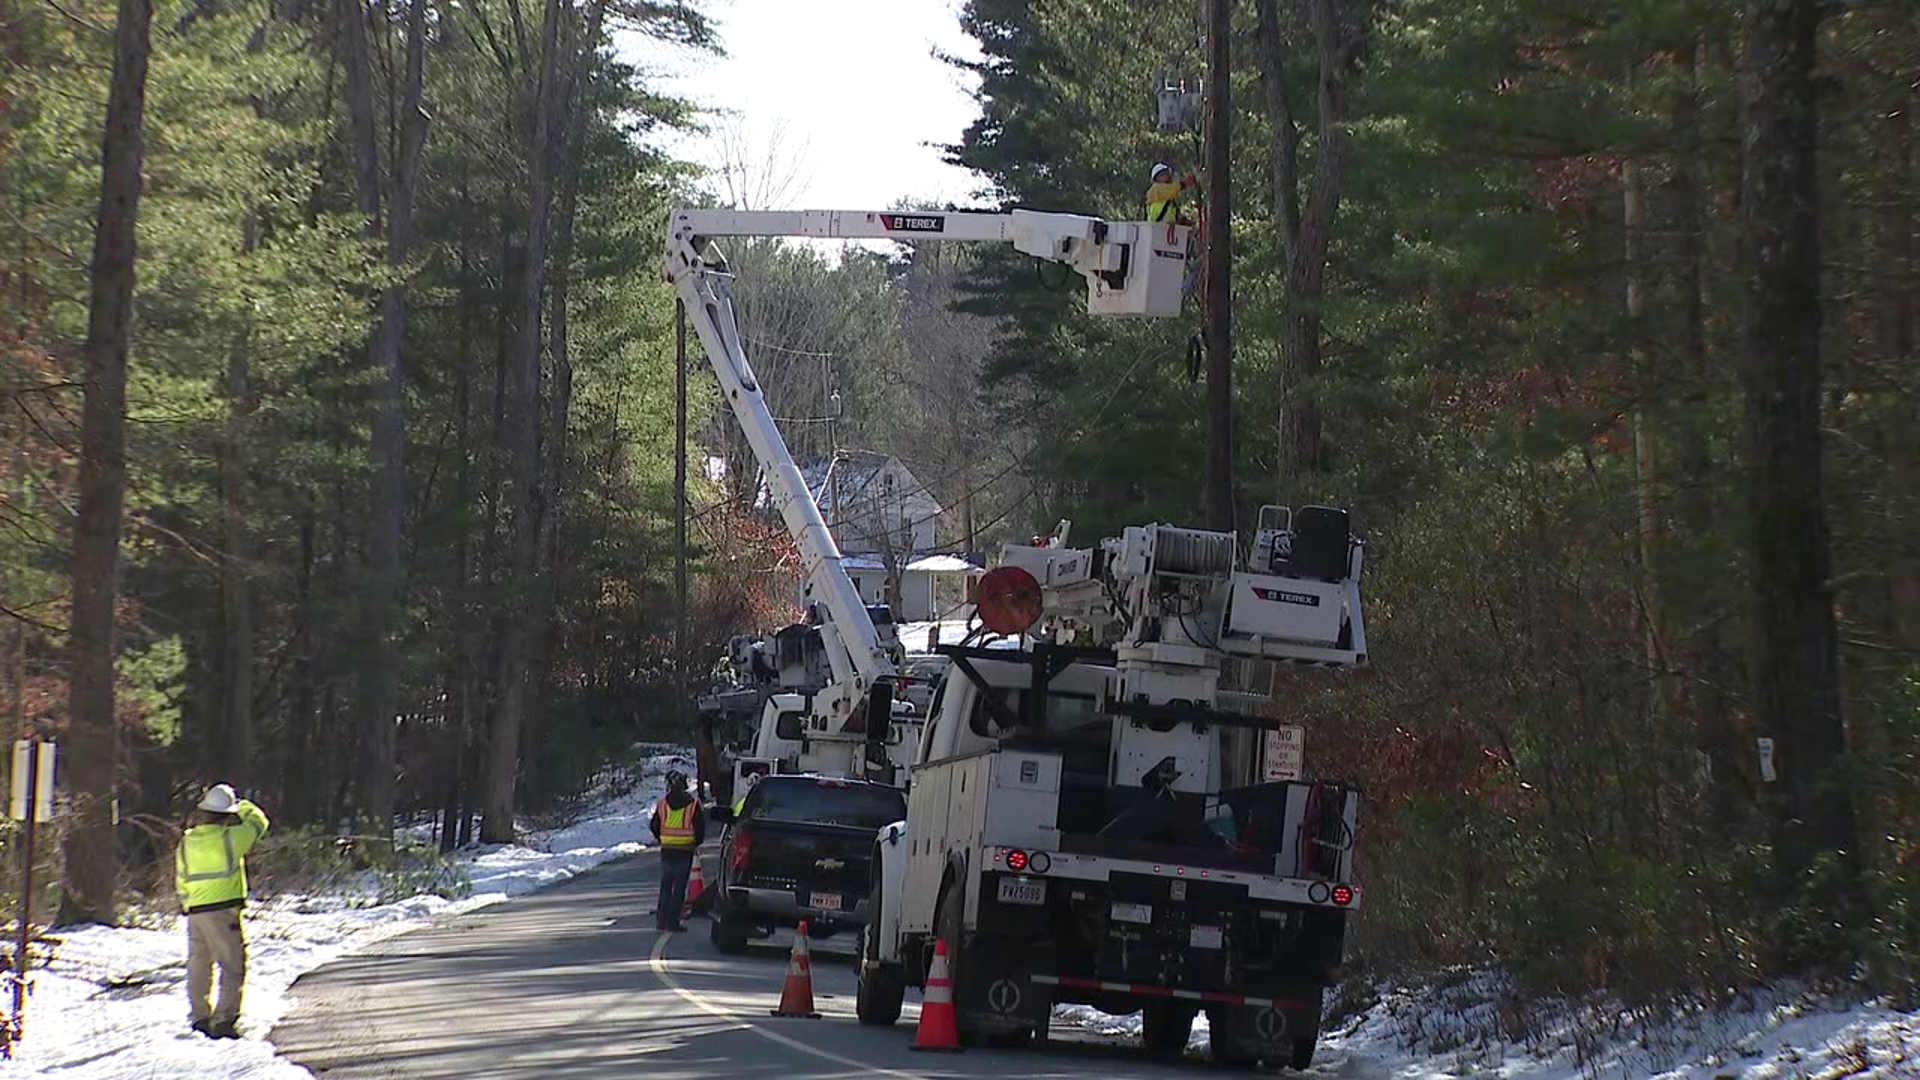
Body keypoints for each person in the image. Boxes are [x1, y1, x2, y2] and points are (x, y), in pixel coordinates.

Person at [175, 783, 269, 1038]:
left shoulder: (186, 842)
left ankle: (200, 1019)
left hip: (195, 912)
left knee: (198, 966)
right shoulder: (231, 838)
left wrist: (187, 905)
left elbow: (181, 878)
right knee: (232, 966)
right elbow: (260, 822)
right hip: (223, 912)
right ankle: (225, 1021)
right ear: (228, 815)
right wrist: (242, 804)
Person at [649, 770, 705, 931]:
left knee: (665, 886)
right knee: (679, 888)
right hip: (685, 850)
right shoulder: (693, 805)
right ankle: (673, 922)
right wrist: (696, 842)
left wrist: (662, 838)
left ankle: (661, 920)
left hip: (667, 850)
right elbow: (700, 827)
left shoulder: (662, 804)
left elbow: (654, 825)